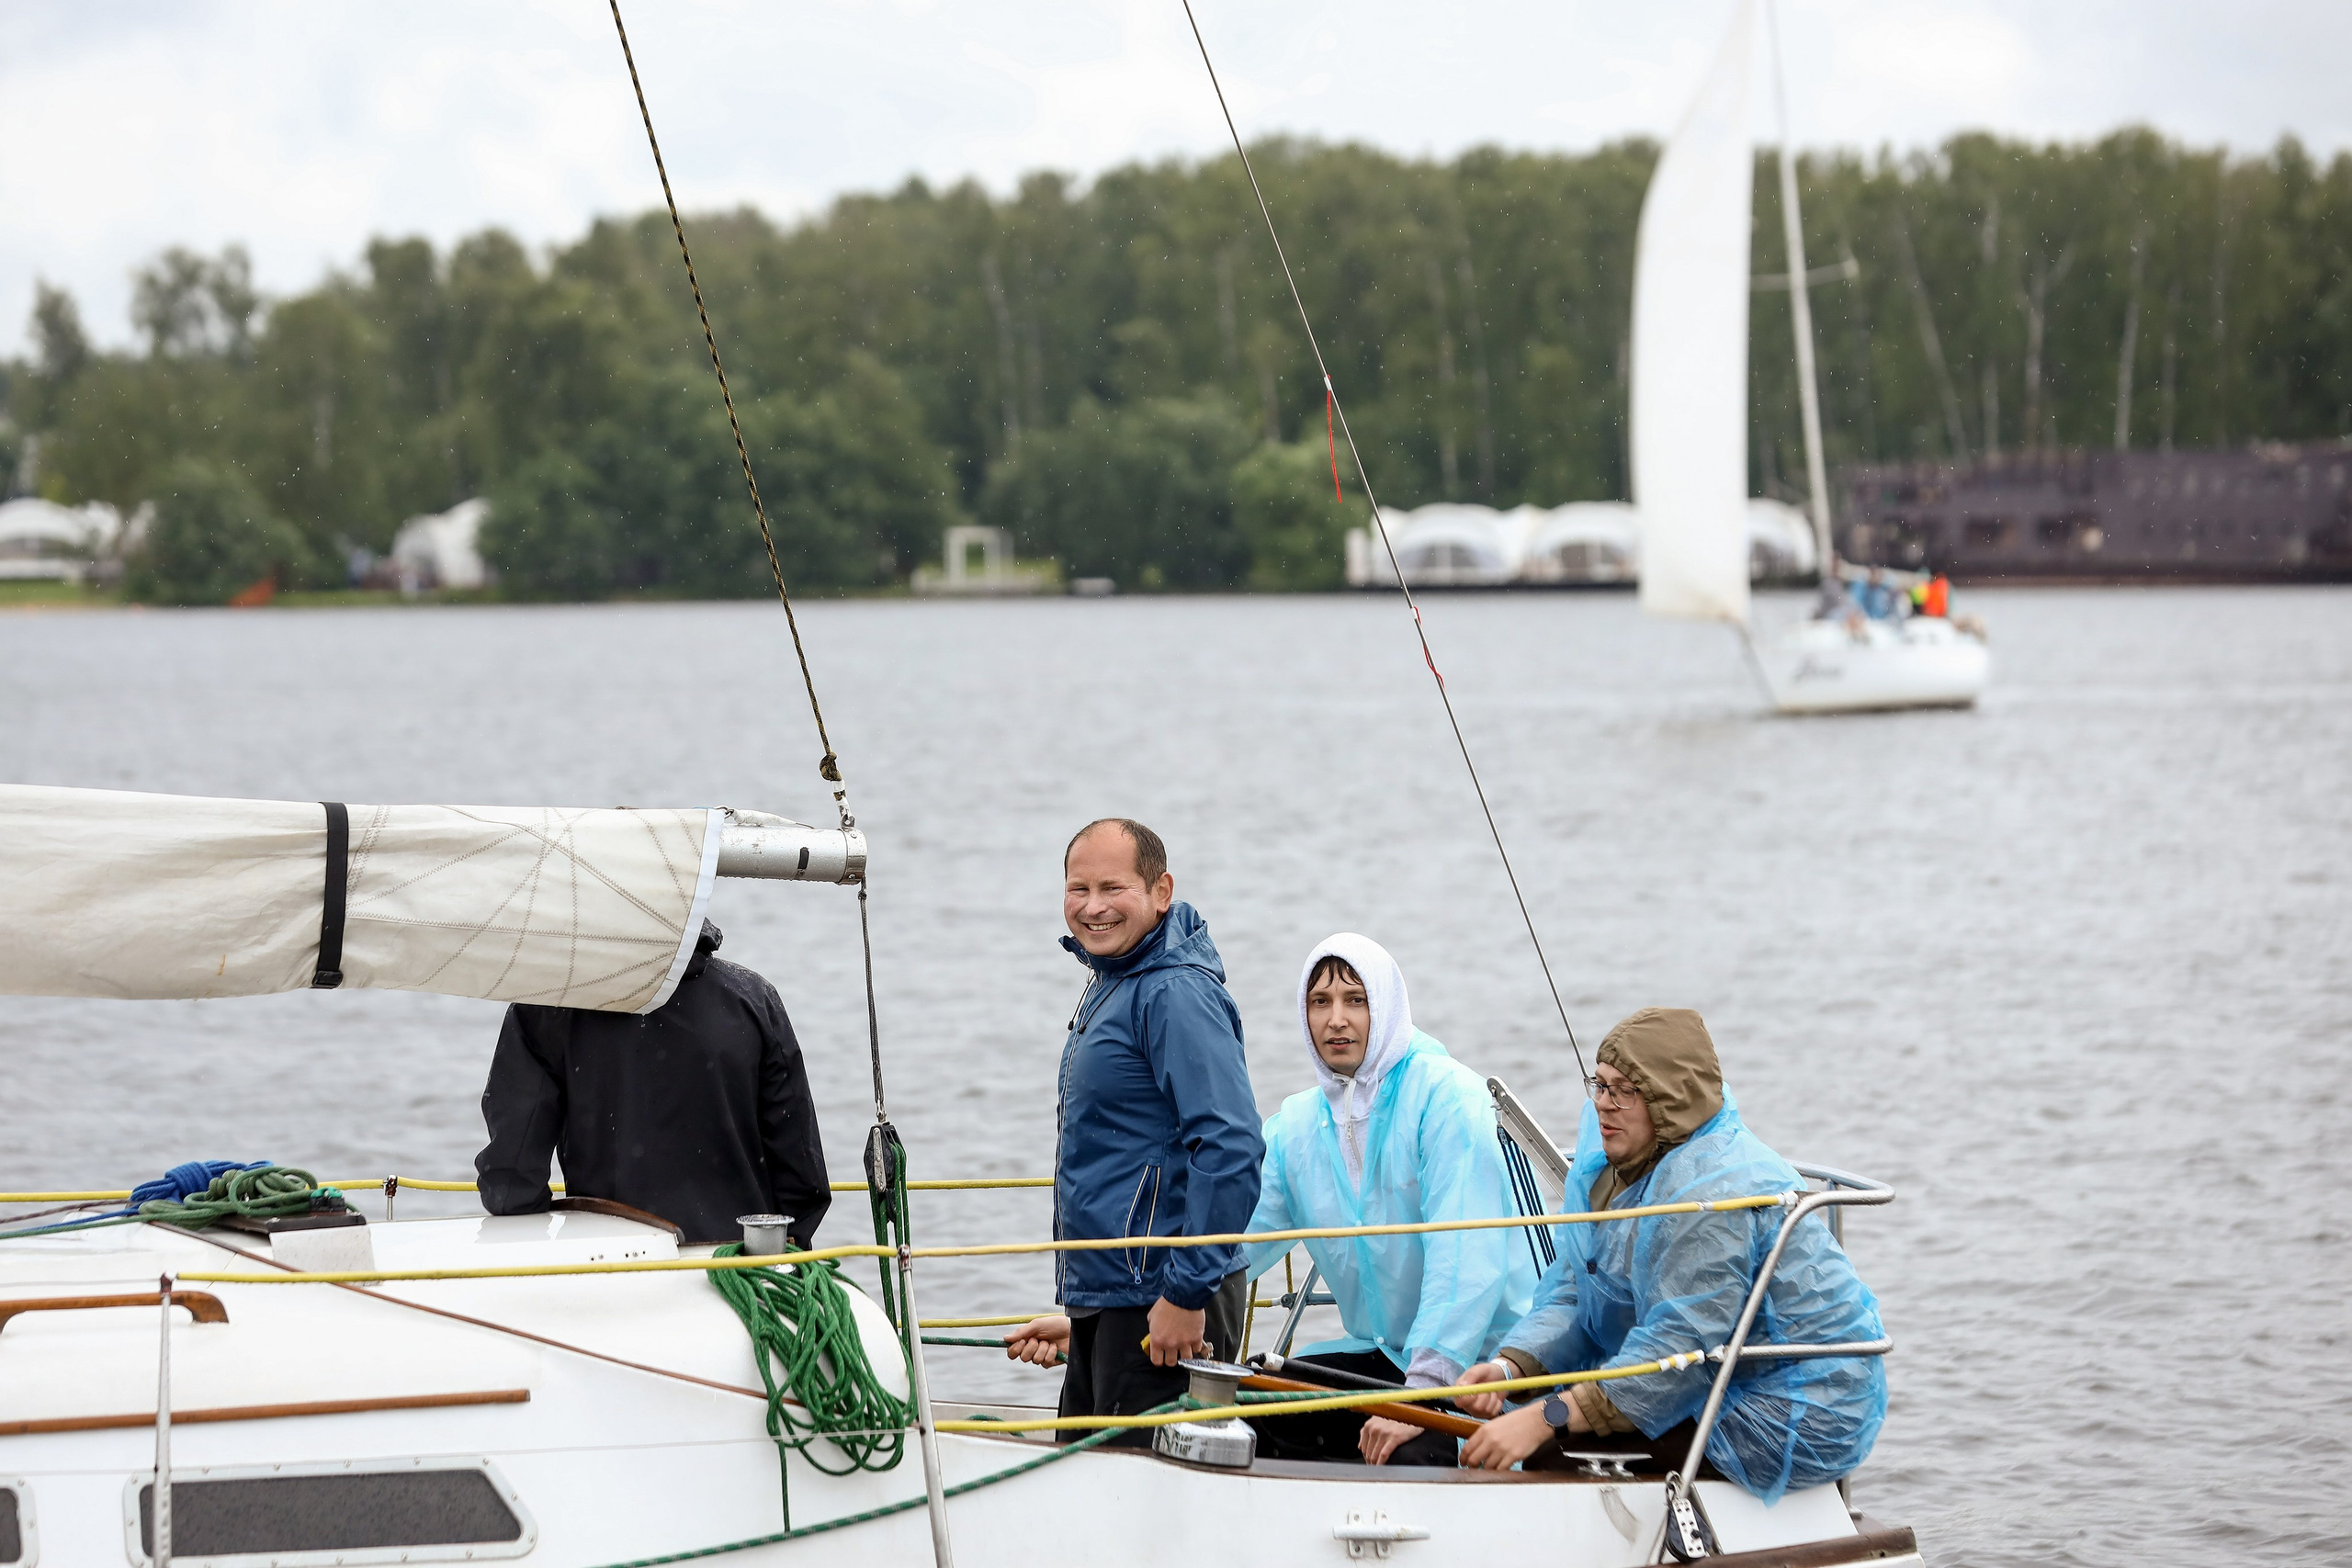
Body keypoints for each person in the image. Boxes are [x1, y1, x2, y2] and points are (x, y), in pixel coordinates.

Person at [1454, 1009, 1886, 1503]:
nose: (1604, 1104)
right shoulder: (1610, 1169)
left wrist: (1547, 1417)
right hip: (1706, 1379)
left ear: (1669, 1101)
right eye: (1600, 1085)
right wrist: (1511, 1368)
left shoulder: (1713, 1193)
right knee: (1533, 1428)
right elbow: (1578, 1295)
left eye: (1625, 1091)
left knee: (1554, 1454)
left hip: (1789, 1408)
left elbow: (1680, 1350)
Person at [1002, 819, 1263, 1442]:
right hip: (1117, 1296)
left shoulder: (1174, 991)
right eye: (1079, 888)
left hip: (1166, 1299)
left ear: (1160, 891)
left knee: (1138, 1490)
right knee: (1085, 1479)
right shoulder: (1116, 978)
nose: (1093, 907)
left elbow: (1230, 1146)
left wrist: (1186, 1294)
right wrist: (1086, 1318)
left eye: (1112, 887)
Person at [1243, 934, 1536, 1467]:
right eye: (1320, 1001)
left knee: (1410, 1452)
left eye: (1356, 1000)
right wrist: (1148, 1313)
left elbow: (1465, 1262)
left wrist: (1420, 1396)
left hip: (1486, 1369)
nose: (1336, 1020)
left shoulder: (1448, 1097)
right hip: (1386, 1357)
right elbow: (1230, 1245)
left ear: (1386, 1005)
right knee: (1248, 1411)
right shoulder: (1296, 1127)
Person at [475, 919, 831, 1247]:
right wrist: (782, 1245)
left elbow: (510, 1184)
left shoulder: (548, 1006)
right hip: (738, 1263)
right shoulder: (753, 999)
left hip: (610, 1259)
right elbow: (802, 1178)